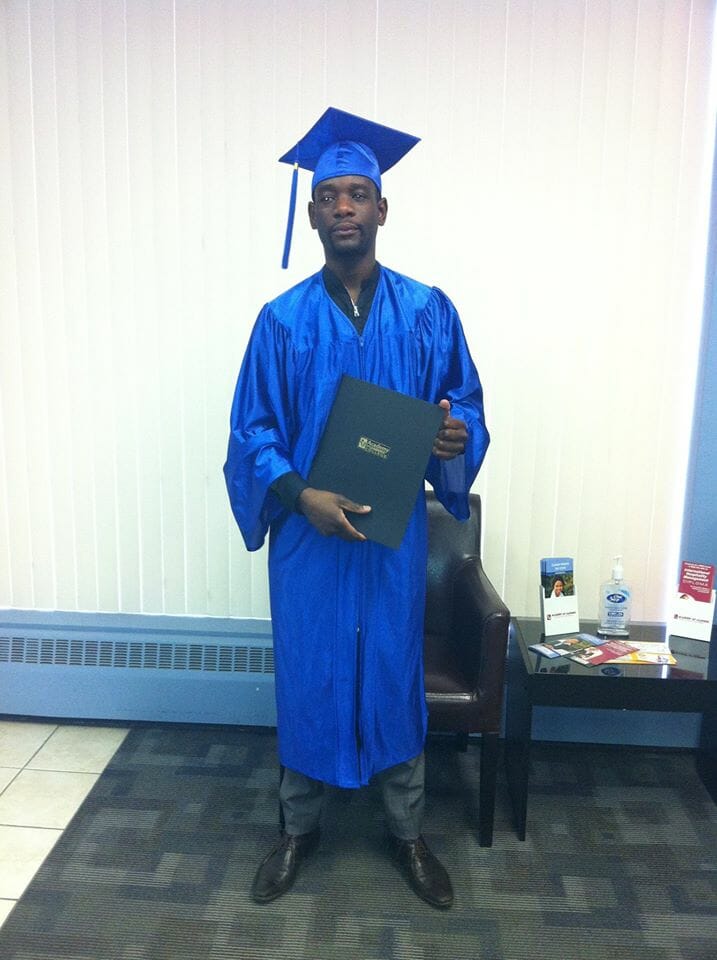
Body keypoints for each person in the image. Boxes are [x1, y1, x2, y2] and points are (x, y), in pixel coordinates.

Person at [224, 107, 490, 910]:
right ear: (311, 215)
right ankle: (296, 829)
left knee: (390, 673)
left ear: (381, 209)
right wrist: (298, 494)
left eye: (356, 194)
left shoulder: (427, 312)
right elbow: (251, 433)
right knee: (308, 674)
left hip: (387, 539)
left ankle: (406, 831)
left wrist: (453, 435)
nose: (342, 206)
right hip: (308, 542)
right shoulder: (280, 322)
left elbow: (462, 408)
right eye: (328, 195)